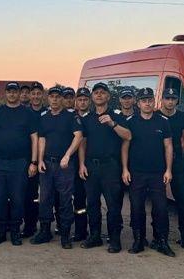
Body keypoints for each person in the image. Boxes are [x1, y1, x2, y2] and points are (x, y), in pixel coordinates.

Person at [78, 82, 131, 253]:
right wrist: (81, 164)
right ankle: (94, 236)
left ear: (108, 96)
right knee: (92, 204)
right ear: (92, 97)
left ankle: (114, 239)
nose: (99, 95)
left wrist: (112, 123)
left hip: (110, 167)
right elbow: (82, 143)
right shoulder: (87, 118)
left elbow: (128, 136)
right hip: (91, 166)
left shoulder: (117, 116)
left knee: (113, 205)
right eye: (96, 93)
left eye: (102, 92)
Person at [122, 87, 175, 257]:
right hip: (136, 173)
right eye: (144, 101)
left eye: (150, 100)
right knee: (137, 208)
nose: (147, 103)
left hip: (157, 173)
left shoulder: (163, 121)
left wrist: (168, 170)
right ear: (138, 103)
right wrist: (125, 169)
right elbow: (125, 147)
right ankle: (139, 240)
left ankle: (162, 241)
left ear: (154, 102)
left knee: (161, 208)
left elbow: (168, 146)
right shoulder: (131, 121)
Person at [0, 82, 38, 246]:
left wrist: (33, 162)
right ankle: (0, 231)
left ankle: (15, 232)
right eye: (9, 91)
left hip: (20, 163)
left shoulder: (28, 113)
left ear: (19, 93)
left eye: (15, 91)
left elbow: (34, 138)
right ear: (5, 93)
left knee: (17, 199)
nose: (12, 94)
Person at [33, 87, 82, 249]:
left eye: (57, 97)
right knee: (45, 199)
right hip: (47, 164)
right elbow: (42, 139)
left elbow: (78, 136)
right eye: (52, 96)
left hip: (65, 165)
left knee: (65, 199)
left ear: (62, 99)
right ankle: (45, 232)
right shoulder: (44, 117)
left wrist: (67, 155)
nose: (54, 99)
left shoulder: (71, 116)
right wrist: (40, 160)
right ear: (48, 99)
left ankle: (65, 235)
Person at [158, 87, 184, 251]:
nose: (170, 102)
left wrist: (178, 155)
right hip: (157, 163)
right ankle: (159, 238)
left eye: (173, 99)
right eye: (167, 98)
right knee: (159, 203)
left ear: (177, 101)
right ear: (162, 100)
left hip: (179, 163)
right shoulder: (155, 116)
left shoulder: (182, 117)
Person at [23, 81, 45, 238]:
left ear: (42, 95)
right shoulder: (24, 113)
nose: (36, 96)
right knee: (29, 195)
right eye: (33, 93)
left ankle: (46, 227)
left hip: (46, 160)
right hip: (29, 160)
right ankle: (29, 226)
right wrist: (32, 161)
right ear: (30, 96)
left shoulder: (48, 112)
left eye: (38, 93)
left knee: (47, 196)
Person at [71, 87, 91, 241]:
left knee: (93, 200)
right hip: (74, 164)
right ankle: (80, 231)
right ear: (76, 101)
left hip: (91, 164)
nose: (82, 102)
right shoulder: (71, 117)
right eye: (80, 99)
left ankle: (95, 230)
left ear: (89, 101)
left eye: (85, 99)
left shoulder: (95, 117)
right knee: (78, 199)